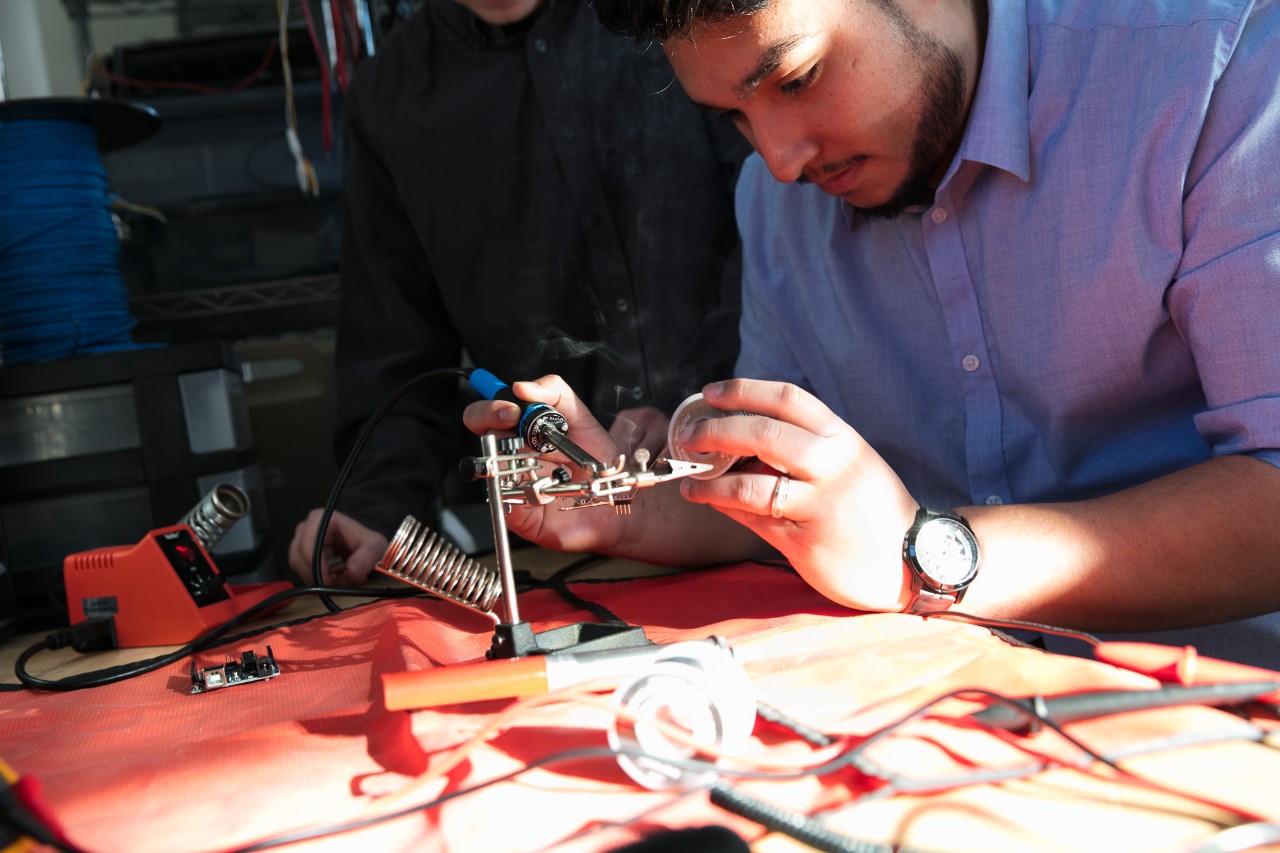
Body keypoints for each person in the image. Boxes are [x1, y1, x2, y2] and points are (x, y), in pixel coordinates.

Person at [464, 0, 1280, 668]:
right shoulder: (778, 204)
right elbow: (796, 502)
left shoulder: (1221, 70)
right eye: (735, 117)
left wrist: (922, 552)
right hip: (917, 723)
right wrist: (628, 512)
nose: (781, 159)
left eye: (795, 77)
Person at [287, 0, 749, 585]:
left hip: (751, 505)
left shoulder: (679, 16)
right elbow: (394, 346)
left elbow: (777, 241)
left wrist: (695, 405)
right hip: (564, 550)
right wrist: (375, 509)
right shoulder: (393, 98)